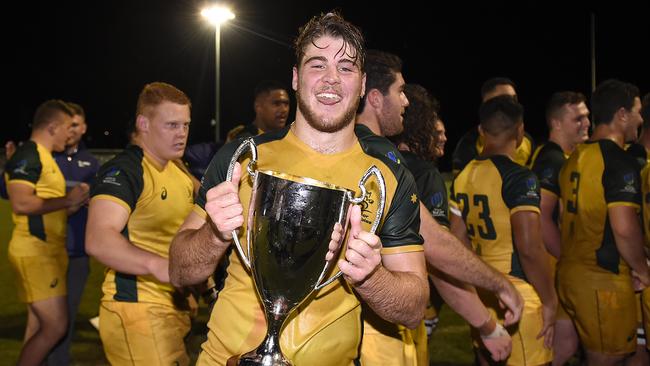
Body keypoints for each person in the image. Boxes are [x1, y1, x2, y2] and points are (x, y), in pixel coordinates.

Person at [169, 12, 429, 365]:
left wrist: (372, 276)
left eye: (347, 68)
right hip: (226, 358)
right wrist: (214, 234)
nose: (332, 80)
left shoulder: (386, 180)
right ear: (295, 77)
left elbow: (414, 308)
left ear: (364, 83)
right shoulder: (243, 159)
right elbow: (181, 271)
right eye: (317, 65)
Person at [357, 50, 520, 365]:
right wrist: (492, 304)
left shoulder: (346, 145)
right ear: (375, 98)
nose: (405, 101)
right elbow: (434, 248)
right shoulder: (387, 160)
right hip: (385, 330)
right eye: (400, 92)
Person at [85, 82, 195, 365]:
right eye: (171, 125)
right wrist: (161, 267)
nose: (181, 133)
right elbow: (99, 239)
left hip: (174, 307)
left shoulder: (177, 170)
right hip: (137, 308)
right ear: (143, 123)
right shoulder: (126, 169)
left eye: (185, 125)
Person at [450, 95, 556, 366]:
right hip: (518, 294)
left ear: (481, 131)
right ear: (520, 132)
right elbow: (530, 248)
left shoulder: (463, 177)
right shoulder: (519, 177)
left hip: (483, 291)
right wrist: (549, 301)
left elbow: (458, 241)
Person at [556, 79, 649, 366]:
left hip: (569, 271)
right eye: (636, 111)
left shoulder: (574, 157)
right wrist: (642, 269)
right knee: (608, 357)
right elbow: (623, 227)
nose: (641, 119)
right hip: (601, 279)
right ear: (622, 114)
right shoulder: (618, 161)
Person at [4, 99, 89, 365]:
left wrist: (72, 204)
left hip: (49, 252)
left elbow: (48, 207)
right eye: (66, 127)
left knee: (37, 326)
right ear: (52, 127)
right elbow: (21, 203)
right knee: (55, 327)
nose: (69, 133)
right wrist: (68, 199)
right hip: (36, 253)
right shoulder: (29, 155)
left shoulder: (44, 157)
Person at [528, 91, 590, 365]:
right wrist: (567, 258)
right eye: (578, 118)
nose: (586, 123)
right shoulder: (552, 160)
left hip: (555, 265)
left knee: (565, 344)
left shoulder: (553, 154)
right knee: (561, 347)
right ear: (556, 123)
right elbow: (541, 218)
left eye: (587, 117)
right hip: (554, 265)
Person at [46, 102, 100, 365]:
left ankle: (59, 359)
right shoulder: (47, 158)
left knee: (68, 310)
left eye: (76, 125)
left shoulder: (92, 163)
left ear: (84, 128)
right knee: (48, 315)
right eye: (68, 125)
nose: (72, 131)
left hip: (78, 252)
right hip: (47, 249)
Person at [452, 77, 535, 175]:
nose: (512, 104)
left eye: (514, 99)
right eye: (506, 99)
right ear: (487, 104)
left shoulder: (527, 142)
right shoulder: (468, 147)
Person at [225, 79, 290, 142]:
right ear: (258, 106)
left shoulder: (289, 139)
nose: (284, 109)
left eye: (286, 104)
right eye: (277, 103)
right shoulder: (243, 142)